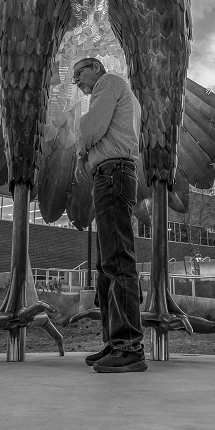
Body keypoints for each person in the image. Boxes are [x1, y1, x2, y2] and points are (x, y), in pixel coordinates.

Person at [73, 57, 146, 373]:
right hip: (111, 173)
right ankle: (115, 343)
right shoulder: (115, 89)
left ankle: (130, 347)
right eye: (74, 78)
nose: (78, 81)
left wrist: (80, 147)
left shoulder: (108, 83)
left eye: (80, 73)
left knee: (116, 260)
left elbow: (93, 126)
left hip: (113, 173)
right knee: (106, 266)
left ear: (96, 67)